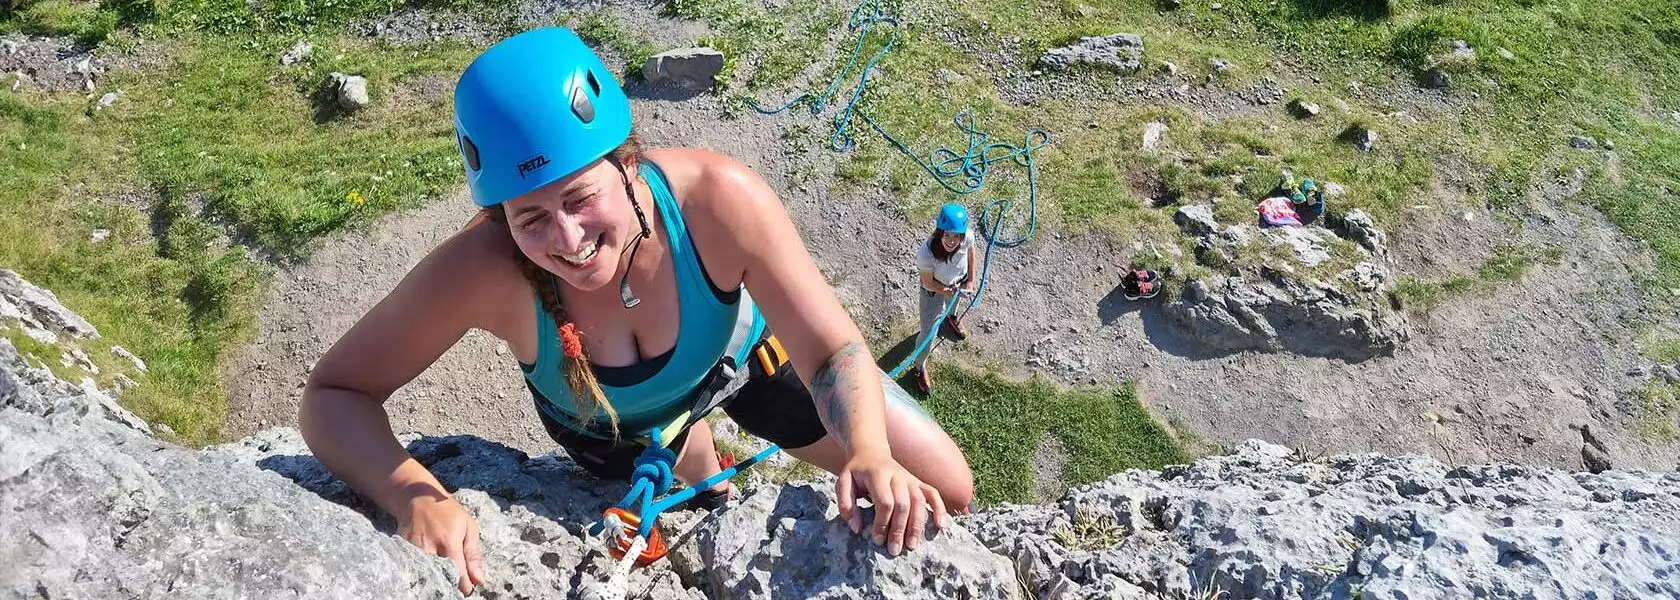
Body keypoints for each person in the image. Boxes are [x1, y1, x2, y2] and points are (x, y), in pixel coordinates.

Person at [297, 27, 975, 596]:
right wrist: (414, 496)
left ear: (628, 164)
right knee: (702, 490)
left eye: (580, 198)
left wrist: (869, 450)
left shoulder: (718, 202)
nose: (568, 240)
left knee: (947, 488)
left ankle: (702, 456)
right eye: (531, 218)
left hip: (741, 365)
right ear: (499, 216)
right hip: (611, 427)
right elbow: (334, 394)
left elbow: (830, 351)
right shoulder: (483, 268)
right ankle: (705, 476)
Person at [910, 203, 979, 394]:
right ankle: (919, 367)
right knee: (928, 333)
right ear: (940, 232)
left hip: (957, 282)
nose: (951, 241)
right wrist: (948, 291)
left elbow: (971, 251)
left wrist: (970, 281)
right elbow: (927, 283)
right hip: (933, 291)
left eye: (956, 236)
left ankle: (951, 317)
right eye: (947, 235)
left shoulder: (967, 237)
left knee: (953, 303)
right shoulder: (926, 254)